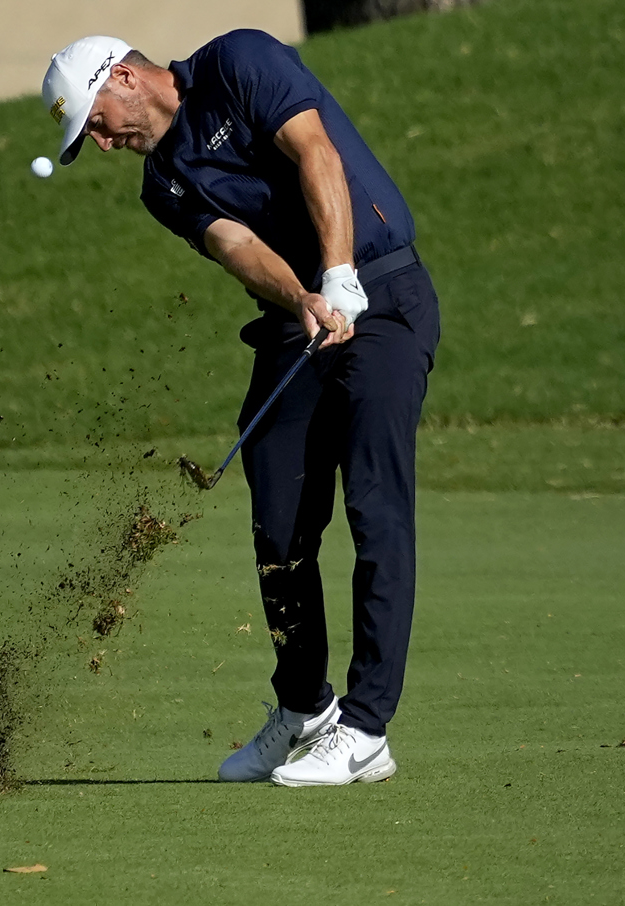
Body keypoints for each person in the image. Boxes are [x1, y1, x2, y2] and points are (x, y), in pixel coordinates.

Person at [41, 30, 440, 786]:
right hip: (304, 321)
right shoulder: (162, 184)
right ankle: (305, 707)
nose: (98, 142)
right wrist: (304, 297)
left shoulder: (238, 63)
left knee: (375, 508)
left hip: (383, 295)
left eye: (93, 121)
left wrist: (340, 269)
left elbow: (316, 150)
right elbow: (237, 248)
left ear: (124, 76)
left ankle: (366, 728)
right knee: (279, 518)